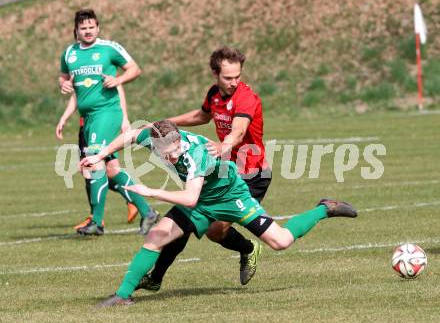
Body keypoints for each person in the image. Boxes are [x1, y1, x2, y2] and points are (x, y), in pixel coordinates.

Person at [79, 120, 358, 307]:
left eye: (175, 152)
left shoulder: (195, 154)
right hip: (201, 199)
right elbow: (129, 135)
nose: (172, 157)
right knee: (156, 235)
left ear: (179, 142)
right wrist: (100, 155)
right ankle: (123, 296)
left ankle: (325, 208)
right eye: (167, 154)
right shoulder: (156, 139)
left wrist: (151, 192)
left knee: (281, 241)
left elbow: (189, 197)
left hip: (231, 196)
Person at [143, 47, 271, 289]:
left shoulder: (245, 98)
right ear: (215, 74)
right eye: (228, 78)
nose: (234, 82)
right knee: (185, 219)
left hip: (251, 174)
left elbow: (239, 130)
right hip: (222, 171)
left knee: (214, 231)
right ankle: (155, 277)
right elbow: (202, 116)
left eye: (237, 76)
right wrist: (166, 123)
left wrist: (226, 145)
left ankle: (249, 248)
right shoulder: (214, 94)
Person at [58, 8, 158, 236]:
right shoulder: (69, 53)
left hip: (107, 113)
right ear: (76, 30)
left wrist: (119, 79)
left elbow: (135, 68)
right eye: (83, 28)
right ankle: (147, 212)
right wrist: (63, 85)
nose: (88, 31)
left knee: (93, 163)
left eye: (92, 26)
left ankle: (98, 222)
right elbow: (64, 78)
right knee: (111, 170)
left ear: (98, 27)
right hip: (89, 119)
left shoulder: (108, 48)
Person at [55, 89, 139, 229]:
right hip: (87, 124)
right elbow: (76, 90)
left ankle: (97, 218)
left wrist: (124, 118)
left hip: (100, 123)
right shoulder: (75, 69)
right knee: (96, 169)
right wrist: (64, 83)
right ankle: (131, 202)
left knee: (93, 168)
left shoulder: (104, 69)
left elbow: (118, 86)